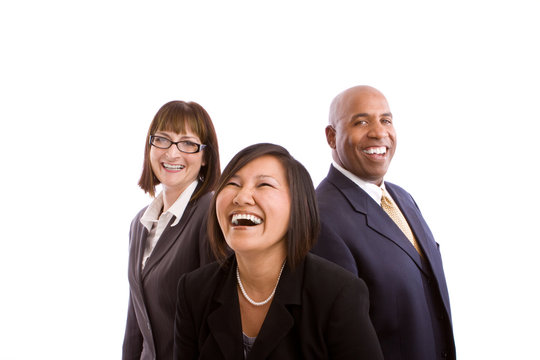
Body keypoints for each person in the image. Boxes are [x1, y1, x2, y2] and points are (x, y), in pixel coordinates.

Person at [173, 143, 383, 359]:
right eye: (233, 183)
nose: (242, 197)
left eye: (264, 185)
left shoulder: (338, 294)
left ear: (298, 206)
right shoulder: (194, 291)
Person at [311, 85, 456, 360]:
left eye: (386, 120)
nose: (379, 132)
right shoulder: (321, 219)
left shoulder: (402, 198)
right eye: (361, 121)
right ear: (331, 136)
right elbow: (340, 342)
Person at [122, 100, 220, 360]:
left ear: (205, 156)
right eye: (163, 140)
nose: (172, 154)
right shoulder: (140, 223)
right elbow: (135, 323)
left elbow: (217, 321)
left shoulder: (210, 212)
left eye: (188, 143)